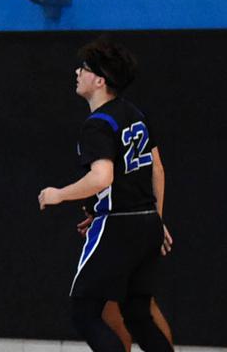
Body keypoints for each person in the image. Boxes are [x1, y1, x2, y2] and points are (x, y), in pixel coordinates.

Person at [38, 38, 174, 352]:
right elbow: (158, 170)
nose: (77, 72)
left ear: (99, 80)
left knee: (84, 313)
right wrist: (156, 219)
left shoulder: (97, 124)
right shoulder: (135, 114)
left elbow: (102, 177)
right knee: (138, 314)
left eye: (83, 69)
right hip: (145, 221)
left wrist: (59, 194)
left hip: (118, 226)